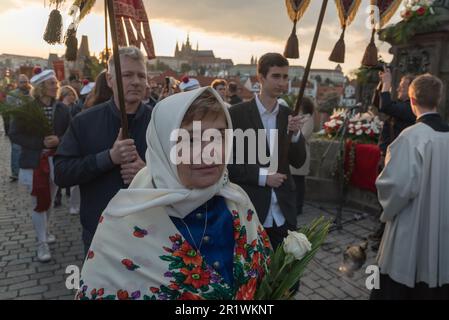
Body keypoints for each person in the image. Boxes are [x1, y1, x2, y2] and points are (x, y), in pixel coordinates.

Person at [75, 87, 272, 300]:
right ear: (163, 146)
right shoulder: (124, 222)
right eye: (190, 140)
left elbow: (268, 279)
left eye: (219, 136)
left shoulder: (238, 201)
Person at [54, 46, 152, 254]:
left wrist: (148, 174)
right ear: (110, 80)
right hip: (101, 234)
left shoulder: (161, 122)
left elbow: (182, 177)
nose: (136, 81)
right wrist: (108, 158)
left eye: (141, 75)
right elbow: (62, 173)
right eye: (127, 75)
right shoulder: (84, 122)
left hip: (151, 233)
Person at [371, 74, 449, 300]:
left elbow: (395, 187)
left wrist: (387, 209)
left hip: (410, 227)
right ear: (439, 99)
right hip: (443, 228)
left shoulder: (411, 137)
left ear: (412, 100)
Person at [228, 53, 306, 250]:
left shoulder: (289, 115)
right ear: (261, 78)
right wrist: (263, 177)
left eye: (286, 77)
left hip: (284, 212)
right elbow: (228, 163)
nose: (282, 82)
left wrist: (296, 135)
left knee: (287, 274)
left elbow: (298, 162)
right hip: (251, 210)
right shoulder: (236, 114)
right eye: (276, 76)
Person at [9, 69, 71, 262]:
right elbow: (15, 133)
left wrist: (59, 140)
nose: (56, 86)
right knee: (38, 203)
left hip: (56, 161)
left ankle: (46, 230)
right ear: (42, 87)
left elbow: (71, 131)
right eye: (52, 83)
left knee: (50, 200)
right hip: (34, 163)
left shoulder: (61, 108)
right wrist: (40, 143)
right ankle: (41, 243)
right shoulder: (27, 108)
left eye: (56, 83)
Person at [369, 70, 416, 250]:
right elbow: (378, 103)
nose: (398, 88)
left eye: (402, 86)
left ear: (412, 91)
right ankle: (381, 232)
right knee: (382, 198)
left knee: (390, 200)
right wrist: (382, 84)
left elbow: (386, 106)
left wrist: (387, 84)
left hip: (397, 160)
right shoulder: (400, 105)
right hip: (387, 158)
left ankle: (385, 239)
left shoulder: (409, 109)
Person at [289, 97, 315, 216]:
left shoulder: (308, 119)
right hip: (295, 152)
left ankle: (299, 206)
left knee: (299, 182)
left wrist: (295, 130)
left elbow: (304, 134)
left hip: (302, 152)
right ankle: (293, 204)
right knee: (294, 180)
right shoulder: (299, 117)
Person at [6, 74, 31, 182]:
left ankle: (29, 170)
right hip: (16, 126)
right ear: (17, 83)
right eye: (21, 82)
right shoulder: (12, 94)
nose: (24, 84)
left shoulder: (32, 94)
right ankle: (15, 173)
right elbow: (12, 109)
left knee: (29, 149)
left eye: (25, 82)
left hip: (30, 127)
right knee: (16, 150)